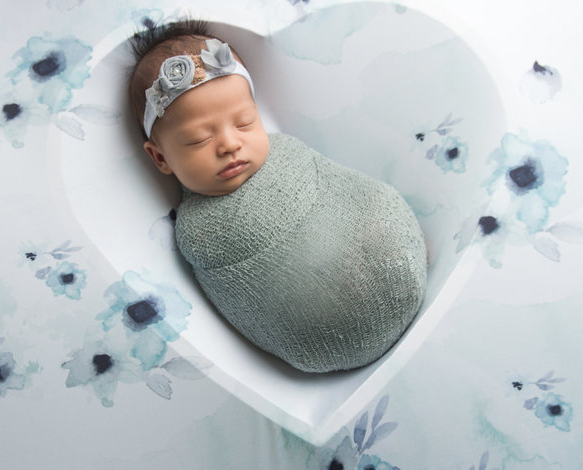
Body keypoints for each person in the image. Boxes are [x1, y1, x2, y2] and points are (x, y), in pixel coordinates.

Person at [127, 20, 427, 373]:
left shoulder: (285, 152)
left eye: (244, 122)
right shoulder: (198, 233)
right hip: (322, 333)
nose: (229, 144)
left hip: (393, 264)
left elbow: (348, 188)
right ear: (161, 158)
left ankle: (400, 256)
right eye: (198, 140)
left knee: (376, 212)